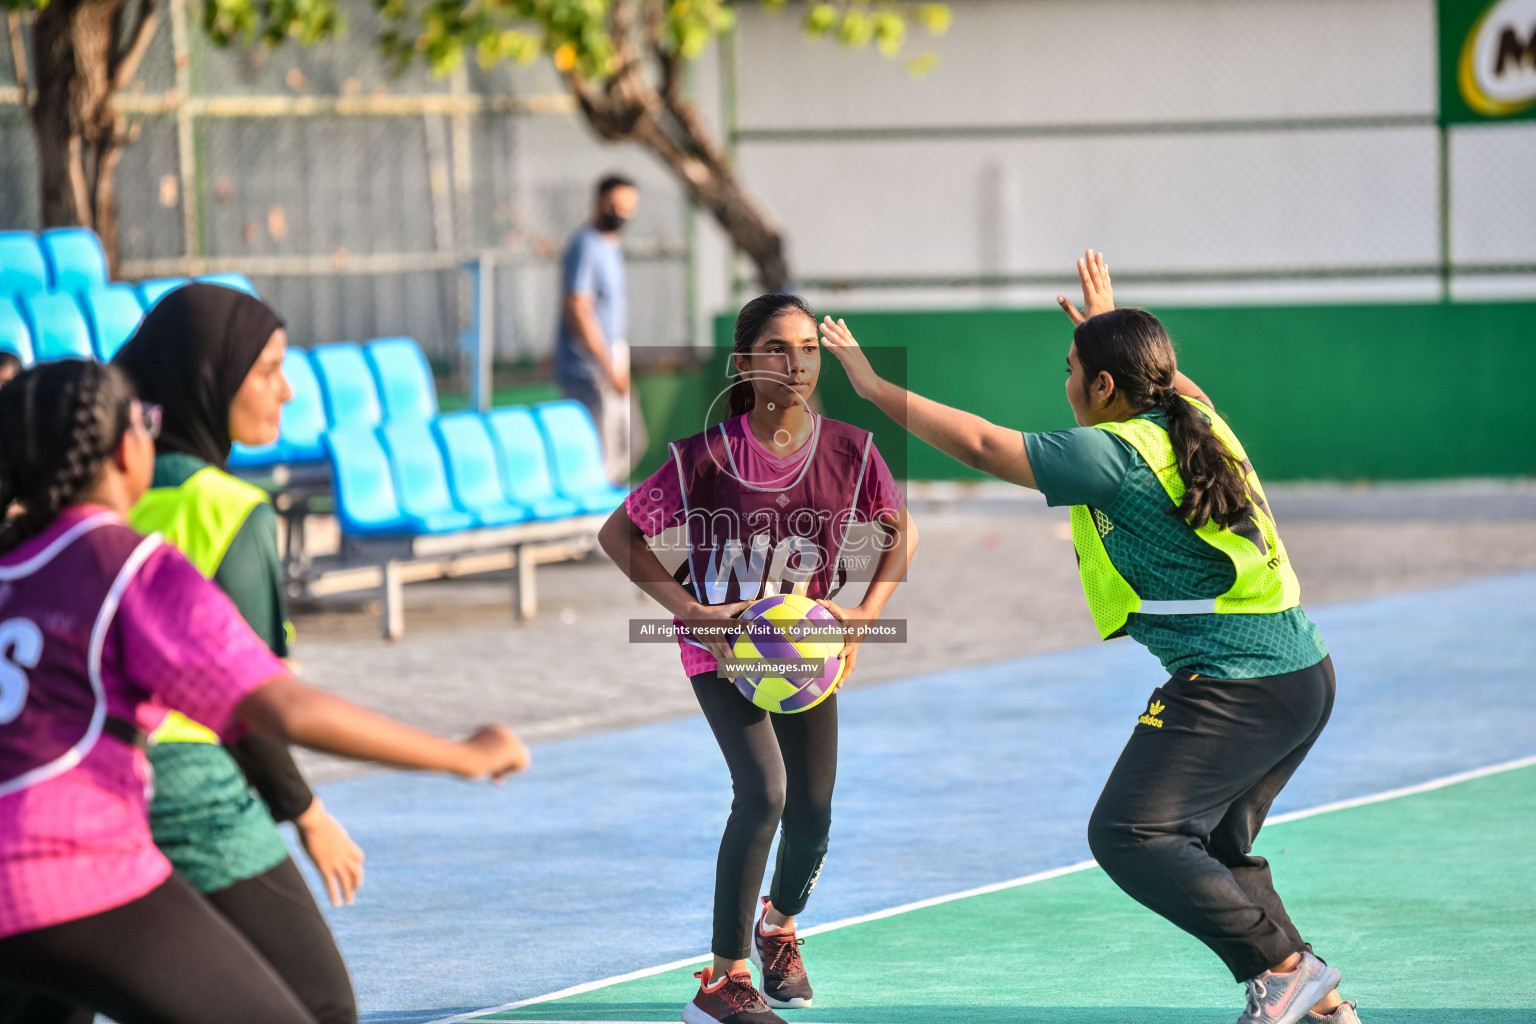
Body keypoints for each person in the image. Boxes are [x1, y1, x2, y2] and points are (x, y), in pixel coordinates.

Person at [816, 252, 1359, 1024]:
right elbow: (1166, 380)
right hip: (1300, 673)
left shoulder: (1111, 454)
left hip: (1239, 680)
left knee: (1130, 830)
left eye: (1073, 369)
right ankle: (1320, 1005)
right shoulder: (1194, 417)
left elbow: (979, 444)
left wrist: (871, 388)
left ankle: (1285, 970)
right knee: (1213, 849)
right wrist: (1109, 325)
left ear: (1104, 386)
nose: (1066, 383)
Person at [0, 359, 530, 1024]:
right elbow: (282, 706)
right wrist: (465, 755)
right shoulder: (133, 565)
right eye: (145, 421)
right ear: (124, 447)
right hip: (71, 867)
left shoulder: (12, 563)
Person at [599, 293, 918, 1024]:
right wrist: (692, 614)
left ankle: (778, 928)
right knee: (764, 792)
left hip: (805, 657)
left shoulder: (852, 450)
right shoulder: (703, 458)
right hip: (724, 653)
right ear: (743, 362)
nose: (797, 362)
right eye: (778, 348)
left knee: (813, 813)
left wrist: (864, 620)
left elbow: (904, 534)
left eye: (808, 347)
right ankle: (722, 982)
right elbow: (619, 536)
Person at [109, 283, 362, 1024]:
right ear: (209, 377)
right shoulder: (227, 508)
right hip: (190, 792)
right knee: (319, 1004)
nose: (286, 390)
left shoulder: (85, 489)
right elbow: (249, 708)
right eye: (268, 369)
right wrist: (308, 813)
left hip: (73, 786)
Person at [557, 173, 647, 484]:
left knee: (633, 441)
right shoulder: (586, 244)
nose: (622, 213)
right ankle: (601, 528)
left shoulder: (610, 245)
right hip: (590, 366)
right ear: (599, 202)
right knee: (606, 451)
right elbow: (578, 309)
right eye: (615, 205)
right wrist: (607, 365)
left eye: (628, 207)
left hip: (613, 356)